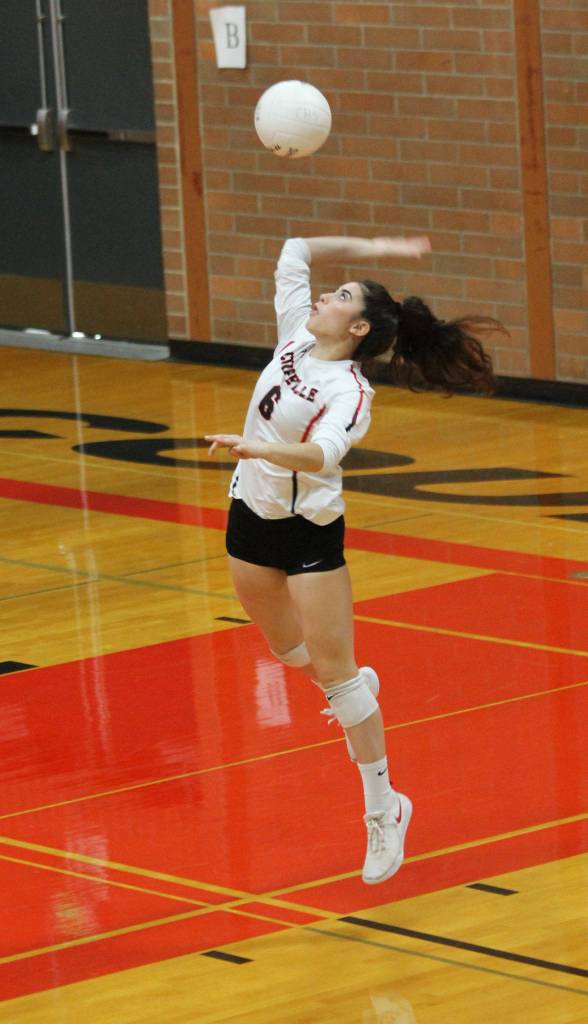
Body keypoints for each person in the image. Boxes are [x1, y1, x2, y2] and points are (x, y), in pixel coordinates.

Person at [205, 235, 501, 884]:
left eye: (339, 297)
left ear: (358, 327)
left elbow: (323, 456)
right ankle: (351, 691)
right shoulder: (295, 335)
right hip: (251, 520)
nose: (321, 297)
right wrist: (381, 246)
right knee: (289, 655)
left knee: (338, 681)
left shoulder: (349, 392)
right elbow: (293, 247)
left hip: (310, 538)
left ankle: (383, 809)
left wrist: (258, 450)